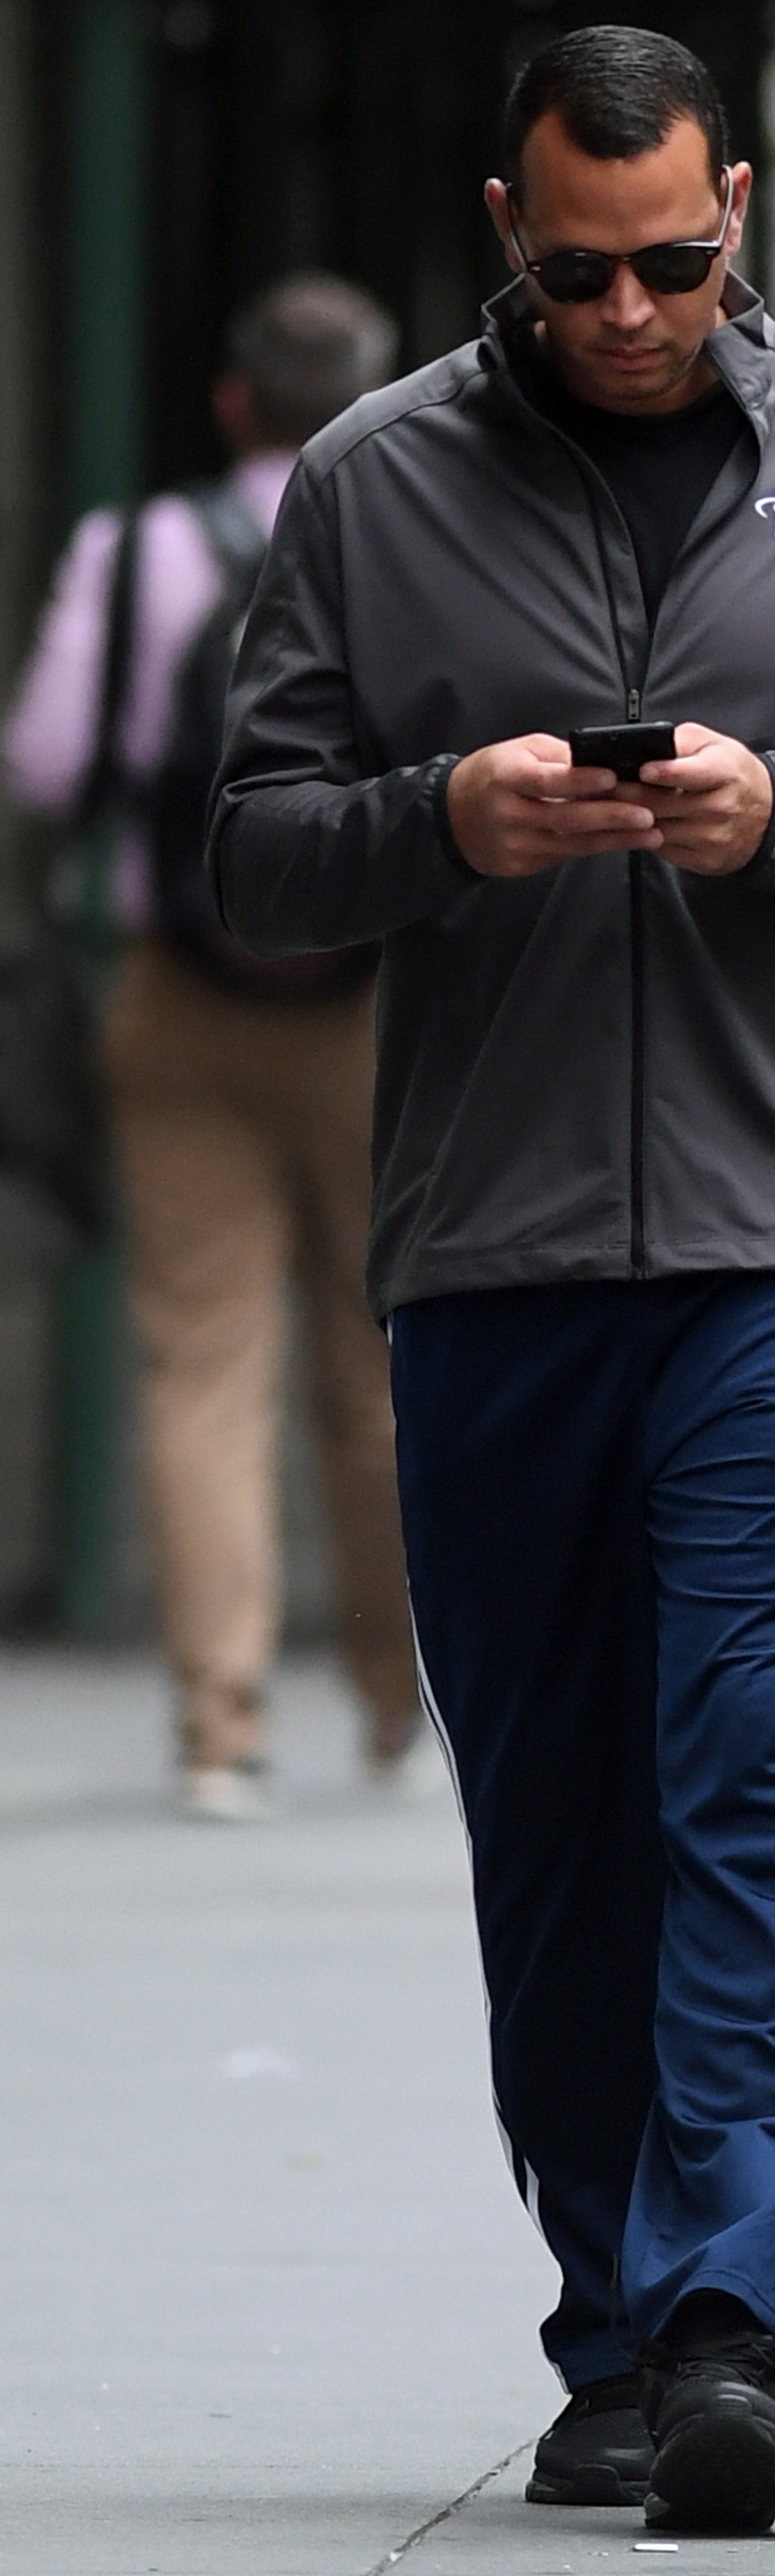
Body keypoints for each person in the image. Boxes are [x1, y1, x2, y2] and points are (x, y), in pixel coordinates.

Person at [207, 26, 775, 2533]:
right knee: (560, 1810)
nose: (626, 314)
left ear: (740, 210)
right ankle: (607, 2318)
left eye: (674, 265)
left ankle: (724, 2320)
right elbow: (252, 852)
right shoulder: (378, 482)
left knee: (752, 1768)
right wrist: (441, 819)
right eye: (578, 271)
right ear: (507, 226)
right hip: (493, 1249)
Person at [4, 275, 416, 1821]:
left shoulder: (137, 553)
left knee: (199, 1359)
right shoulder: (418, 536)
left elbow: (51, 760)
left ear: (234, 401)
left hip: (177, 989)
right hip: (373, 1003)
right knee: (380, 1362)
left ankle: (218, 1724)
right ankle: (395, 1699)